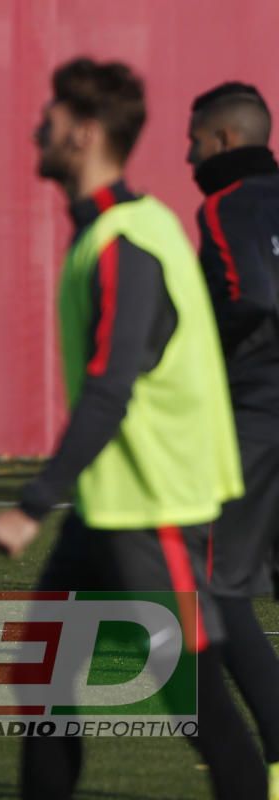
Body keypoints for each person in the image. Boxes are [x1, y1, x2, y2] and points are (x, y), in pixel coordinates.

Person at [0, 59, 266, 799]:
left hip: (151, 512)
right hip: (108, 511)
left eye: (48, 119)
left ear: (84, 133)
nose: (37, 131)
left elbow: (111, 391)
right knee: (40, 684)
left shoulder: (124, 243)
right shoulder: (114, 231)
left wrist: (31, 505)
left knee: (201, 709)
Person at [186, 81, 279, 792]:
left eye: (194, 141)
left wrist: (197, 354)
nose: (188, 156)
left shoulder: (225, 205)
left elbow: (250, 293)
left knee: (212, 582)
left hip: (258, 410)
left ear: (223, 140)